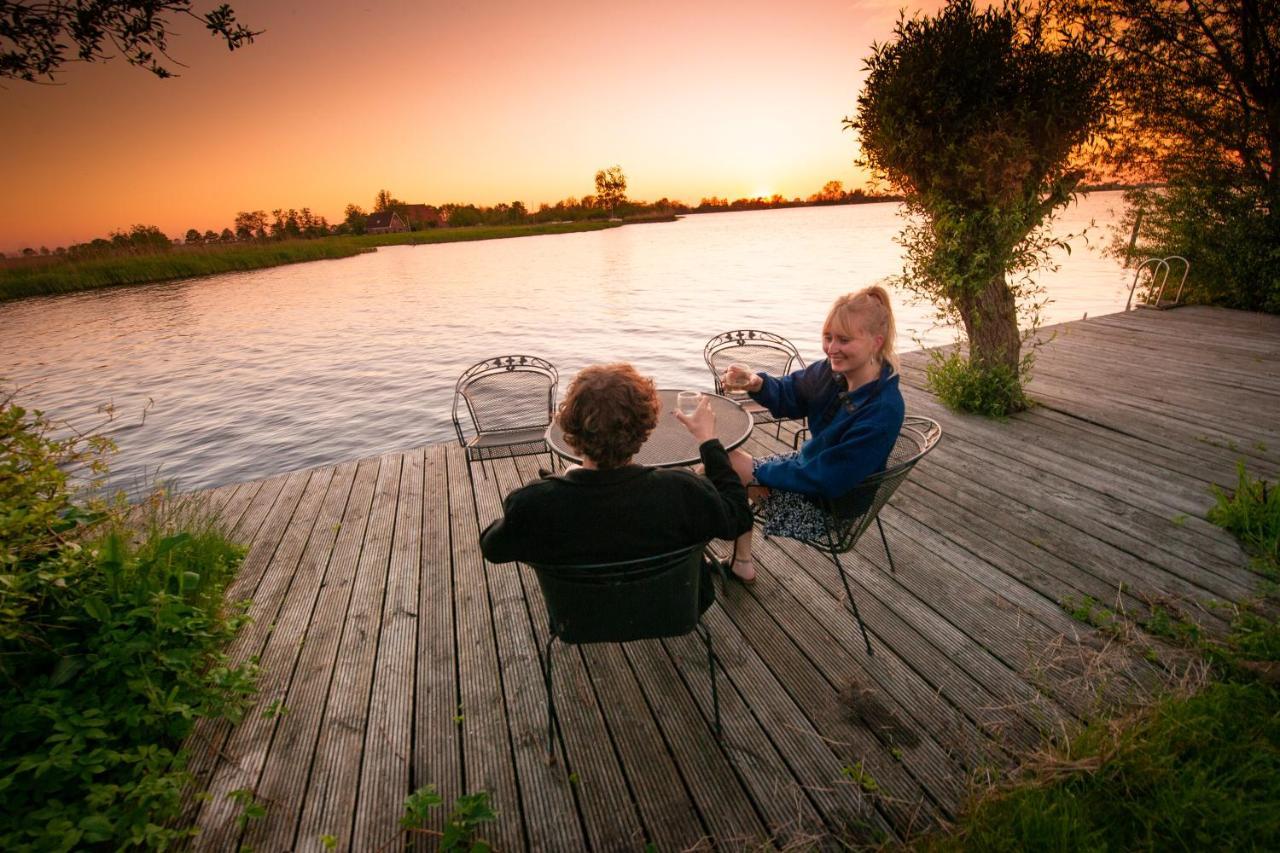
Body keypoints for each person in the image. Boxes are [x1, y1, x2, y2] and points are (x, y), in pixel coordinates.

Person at [479, 363, 753, 609]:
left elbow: (493, 548)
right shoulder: (683, 491)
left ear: (568, 426)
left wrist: (536, 497)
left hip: (580, 613)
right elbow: (737, 517)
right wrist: (708, 441)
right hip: (676, 606)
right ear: (646, 427)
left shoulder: (534, 503)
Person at [719, 285, 905, 583]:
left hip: (830, 506)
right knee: (722, 465)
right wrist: (756, 383)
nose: (832, 348)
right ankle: (741, 562)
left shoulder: (882, 410)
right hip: (812, 469)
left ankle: (697, 570)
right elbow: (792, 392)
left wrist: (758, 470)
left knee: (717, 471)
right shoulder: (831, 373)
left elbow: (828, 478)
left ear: (876, 342)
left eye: (844, 340)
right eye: (828, 337)